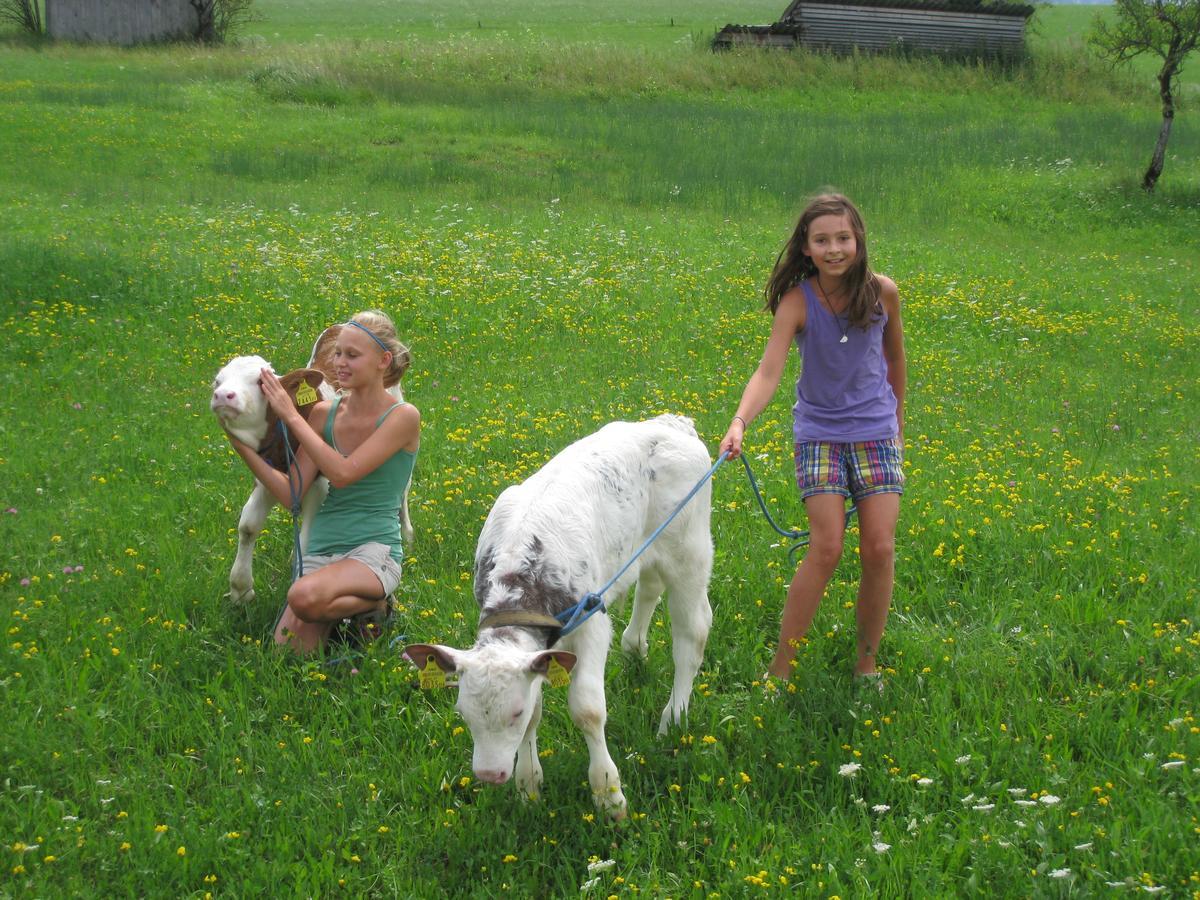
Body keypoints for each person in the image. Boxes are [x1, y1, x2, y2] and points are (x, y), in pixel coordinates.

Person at [719, 193, 906, 685]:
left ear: (858, 239)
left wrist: (898, 425)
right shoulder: (797, 301)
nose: (834, 249)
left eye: (842, 237)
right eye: (821, 240)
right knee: (826, 547)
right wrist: (740, 421)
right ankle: (781, 671)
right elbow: (768, 371)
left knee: (880, 548)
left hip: (876, 433)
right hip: (820, 434)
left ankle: (866, 664)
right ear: (806, 247)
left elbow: (895, 362)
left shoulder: (883, 292)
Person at [225, 310, 420, 653]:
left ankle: (378, 606)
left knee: (301, 597)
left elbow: (343, 474)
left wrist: (289, 415)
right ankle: (350, 618)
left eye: (352, 355)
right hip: (321, 549)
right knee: (286, 652)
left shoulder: (403, 417)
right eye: (337, 353)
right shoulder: (322, 415)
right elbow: (292, 496)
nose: (339, 363)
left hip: (373, 550)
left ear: (383, 360)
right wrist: (241, 444)